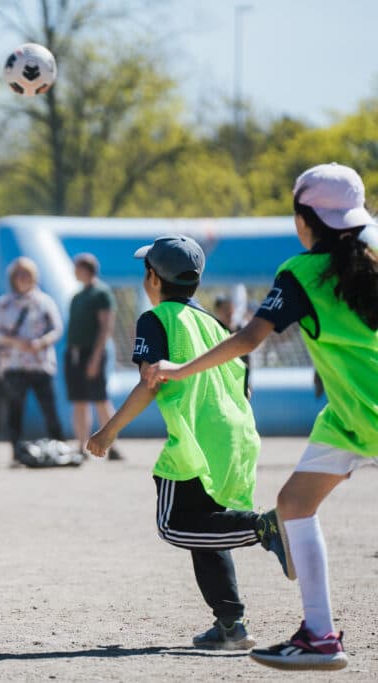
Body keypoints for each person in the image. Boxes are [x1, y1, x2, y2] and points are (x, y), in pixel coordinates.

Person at [146, 163, 378, 671]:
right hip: (346, 418)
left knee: (295, 508)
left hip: (362, 413)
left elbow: (250, 339)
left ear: (303, 219)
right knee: (293, 505)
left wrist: (182, 368)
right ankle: (319, 636)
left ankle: (319, 634)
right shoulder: (373, 259)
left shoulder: (301, 272)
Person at [86, 234, 289, 651]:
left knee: (175, 525)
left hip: (196, 438)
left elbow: (150, 384)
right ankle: (231, 625)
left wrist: (108, 431)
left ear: (152, 279)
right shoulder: (218, 326)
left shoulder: (155, 319)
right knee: (204, 527)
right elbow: (243, 387)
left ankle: (265, 526)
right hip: (234, 435)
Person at [0, 257, 66, 461]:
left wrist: (40, 342)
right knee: (15, 410)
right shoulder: (4, 304)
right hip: (14, 364)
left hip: (41, 364)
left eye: (27, 274)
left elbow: (57, 329)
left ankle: (60, 448)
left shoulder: (44, 301)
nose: (23, 278)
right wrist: (16, 342)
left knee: (49, 408)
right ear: (13, 278)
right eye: (19, 275)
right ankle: (16, 453)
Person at [66, 253, 123, 460]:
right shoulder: (78, 296)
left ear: (85, 269)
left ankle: (112, 445)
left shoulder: (101, 293)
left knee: (100, 399)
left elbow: (105, 327)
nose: (74, 272)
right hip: (75, 354)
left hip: (93, 353)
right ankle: (81, 445)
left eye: (77, 267)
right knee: (79, 401)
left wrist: (95, 358)